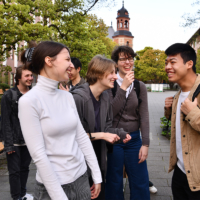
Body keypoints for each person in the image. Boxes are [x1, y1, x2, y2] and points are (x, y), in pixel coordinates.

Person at [18, 41, 102, 200]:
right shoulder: (29, 101)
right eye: (67, 59)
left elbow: (81, 137)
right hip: (52, 186)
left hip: (81, 179)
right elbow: (39, 155)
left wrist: (96, 175)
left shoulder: (67, 96)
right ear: (49, 61)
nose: (71, 65)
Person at [68, 55, 131, 200]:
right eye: (112, 72)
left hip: (98, 162)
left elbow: (106, 127)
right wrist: (102, 135)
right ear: (98, 72)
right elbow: (73, 137)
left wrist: (121, 134)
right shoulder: (77, 98)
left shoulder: (105, 97)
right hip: (78, 167)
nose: (115, 77)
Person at [105, 46, 150, 200]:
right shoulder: (109, 85)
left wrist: (146, 144)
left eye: (130, 58)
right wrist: (123, 87)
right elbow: (109, 114)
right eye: (123, 59)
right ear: (116, 63)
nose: (127, 62)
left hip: (134, 139)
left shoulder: (139, 86)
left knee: (140, 181)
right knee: (113, 181)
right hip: (114, 140)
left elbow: (144, 116)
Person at [164, 43, 200, 200]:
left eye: (172, 62)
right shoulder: (178, 95)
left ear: (189, 64)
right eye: (166, 63)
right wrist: (168, 111)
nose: (167, 67)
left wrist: (193, 113)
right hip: (180, 171)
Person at [0, 65, 34, 200]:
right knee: (14, 172)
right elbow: (5, 121)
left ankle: (23, 194)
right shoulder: (9, 95)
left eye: (31, 75)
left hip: (29, 140)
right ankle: (16, 197)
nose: (30, 78)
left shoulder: (33, 94)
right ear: (18, 78)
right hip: (14, 141)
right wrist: (8, 144)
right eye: (27, 76)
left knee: (25, 168)